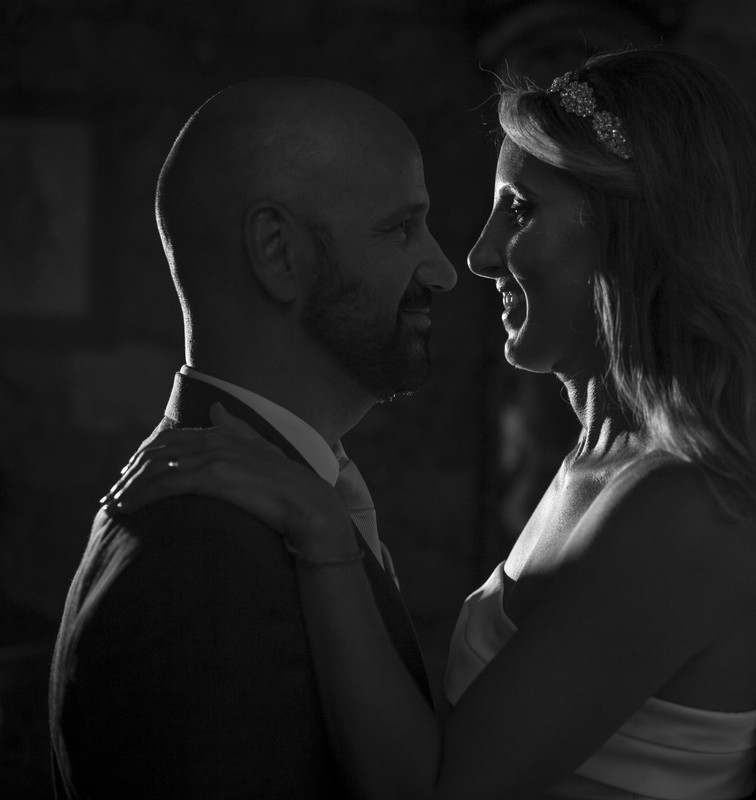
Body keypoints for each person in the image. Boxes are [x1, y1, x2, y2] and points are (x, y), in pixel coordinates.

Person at [110, 49, 756, 799]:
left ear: (636, 233)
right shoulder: (601, 464)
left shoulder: (690, 511)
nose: (476, 257)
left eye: (520, 209)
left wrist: (324, 537)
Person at [49, 77, 457, 799]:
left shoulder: (261, 499)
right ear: (278, 251)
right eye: (401, 229)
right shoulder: (209, 558)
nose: (442, 268)